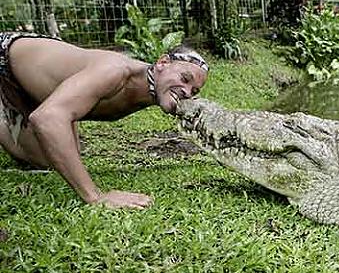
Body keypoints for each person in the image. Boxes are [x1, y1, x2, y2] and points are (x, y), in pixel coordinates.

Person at [0, 32, 208, 209]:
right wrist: (95, 196)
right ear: (162, 62)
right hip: (6, 58)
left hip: (38, 87)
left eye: (194, 91)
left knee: (49, 159)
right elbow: (47, 118)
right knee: (52, 128)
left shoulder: (154, 88)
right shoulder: (114, 71)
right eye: (185, 78)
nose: (186, 92)